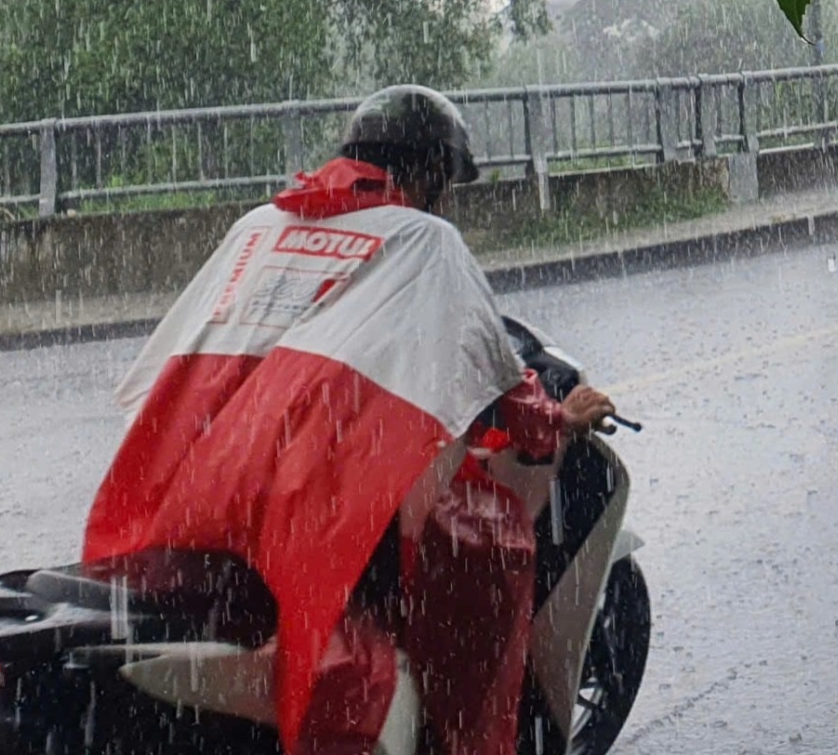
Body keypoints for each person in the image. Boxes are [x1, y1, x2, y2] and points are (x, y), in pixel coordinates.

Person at [83, 85, 619, 755]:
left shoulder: (260, 225)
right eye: (444, 182)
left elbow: (182, 366)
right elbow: (502, 378)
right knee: (487, 563)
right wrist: (557, 419)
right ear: (427, 173)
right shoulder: (425, 240)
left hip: (196, 497)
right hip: (310, 508)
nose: (444, 198)